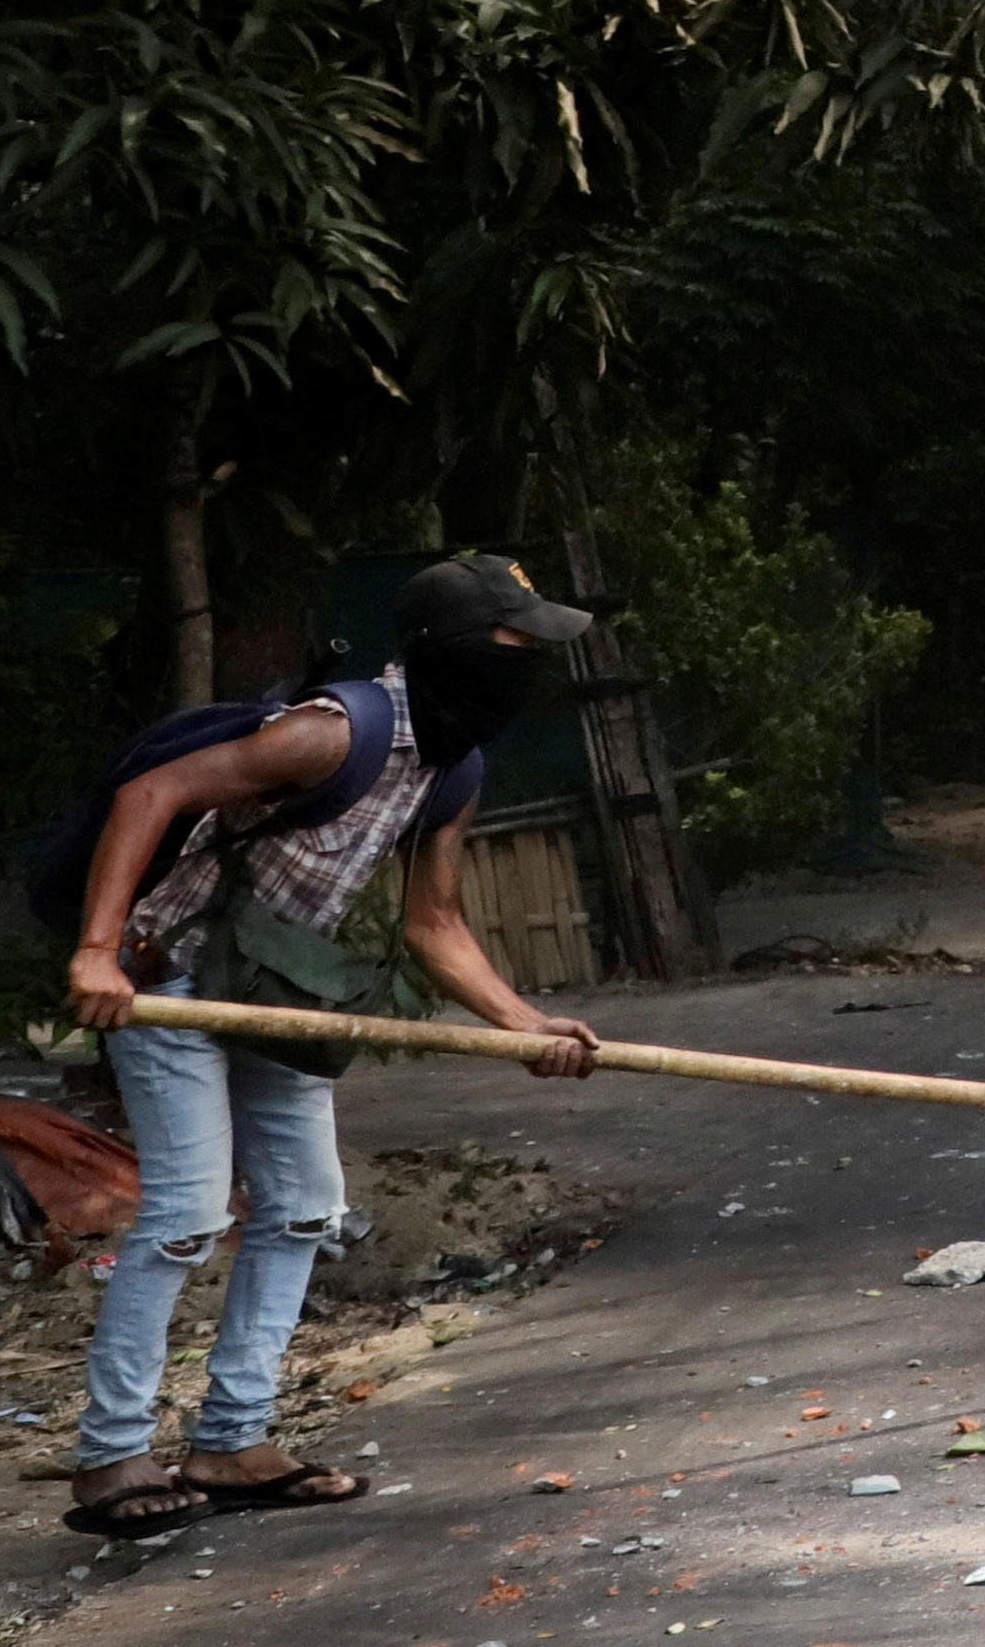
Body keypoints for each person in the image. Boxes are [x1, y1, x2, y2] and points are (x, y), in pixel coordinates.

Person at [38, 554, 610, 1543]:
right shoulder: (332, 730)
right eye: (515, 645)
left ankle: (231, 1440)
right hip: (167, 971)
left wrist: (521, 1022)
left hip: (272, 984)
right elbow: (149, 792)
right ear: (455, 650)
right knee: (184, 1208)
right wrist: (96, 950)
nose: (526, 667)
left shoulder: (453, 763)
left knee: (305, 1202)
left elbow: (434, 922)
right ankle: (111, 1455)